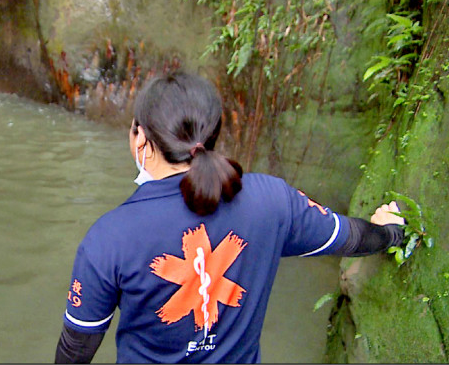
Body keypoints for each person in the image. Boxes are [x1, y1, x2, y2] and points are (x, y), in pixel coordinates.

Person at [54, 71, 406, 364]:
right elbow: (350, 238)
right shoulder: (272, 201)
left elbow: (76, 350)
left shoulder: (109, 237)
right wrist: (390, 232)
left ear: (142, 141)